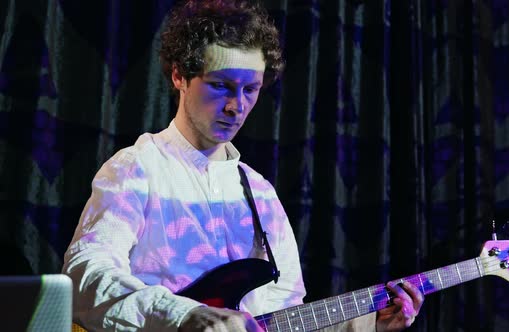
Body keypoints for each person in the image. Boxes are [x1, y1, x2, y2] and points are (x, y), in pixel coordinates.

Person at [62, 0, 424, 331]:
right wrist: (184, 314)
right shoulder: (138, 168)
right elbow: (85, 277)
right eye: (221, 86)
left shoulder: (260, 193)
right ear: (179, 76)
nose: (237, 107)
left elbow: (286, 316)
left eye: (250, 89)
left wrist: (365, 326)